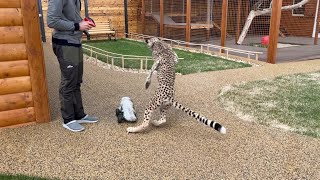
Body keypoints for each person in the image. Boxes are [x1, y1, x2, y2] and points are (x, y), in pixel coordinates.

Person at [47, 0, 98, 132]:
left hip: (75, 42)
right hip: (65, 44)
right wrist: (77, 26)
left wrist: (84, 23)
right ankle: (68, 119)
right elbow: (52, 21)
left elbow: (72, 18)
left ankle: (79, 115)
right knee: (69, 81)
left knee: (76, 81)